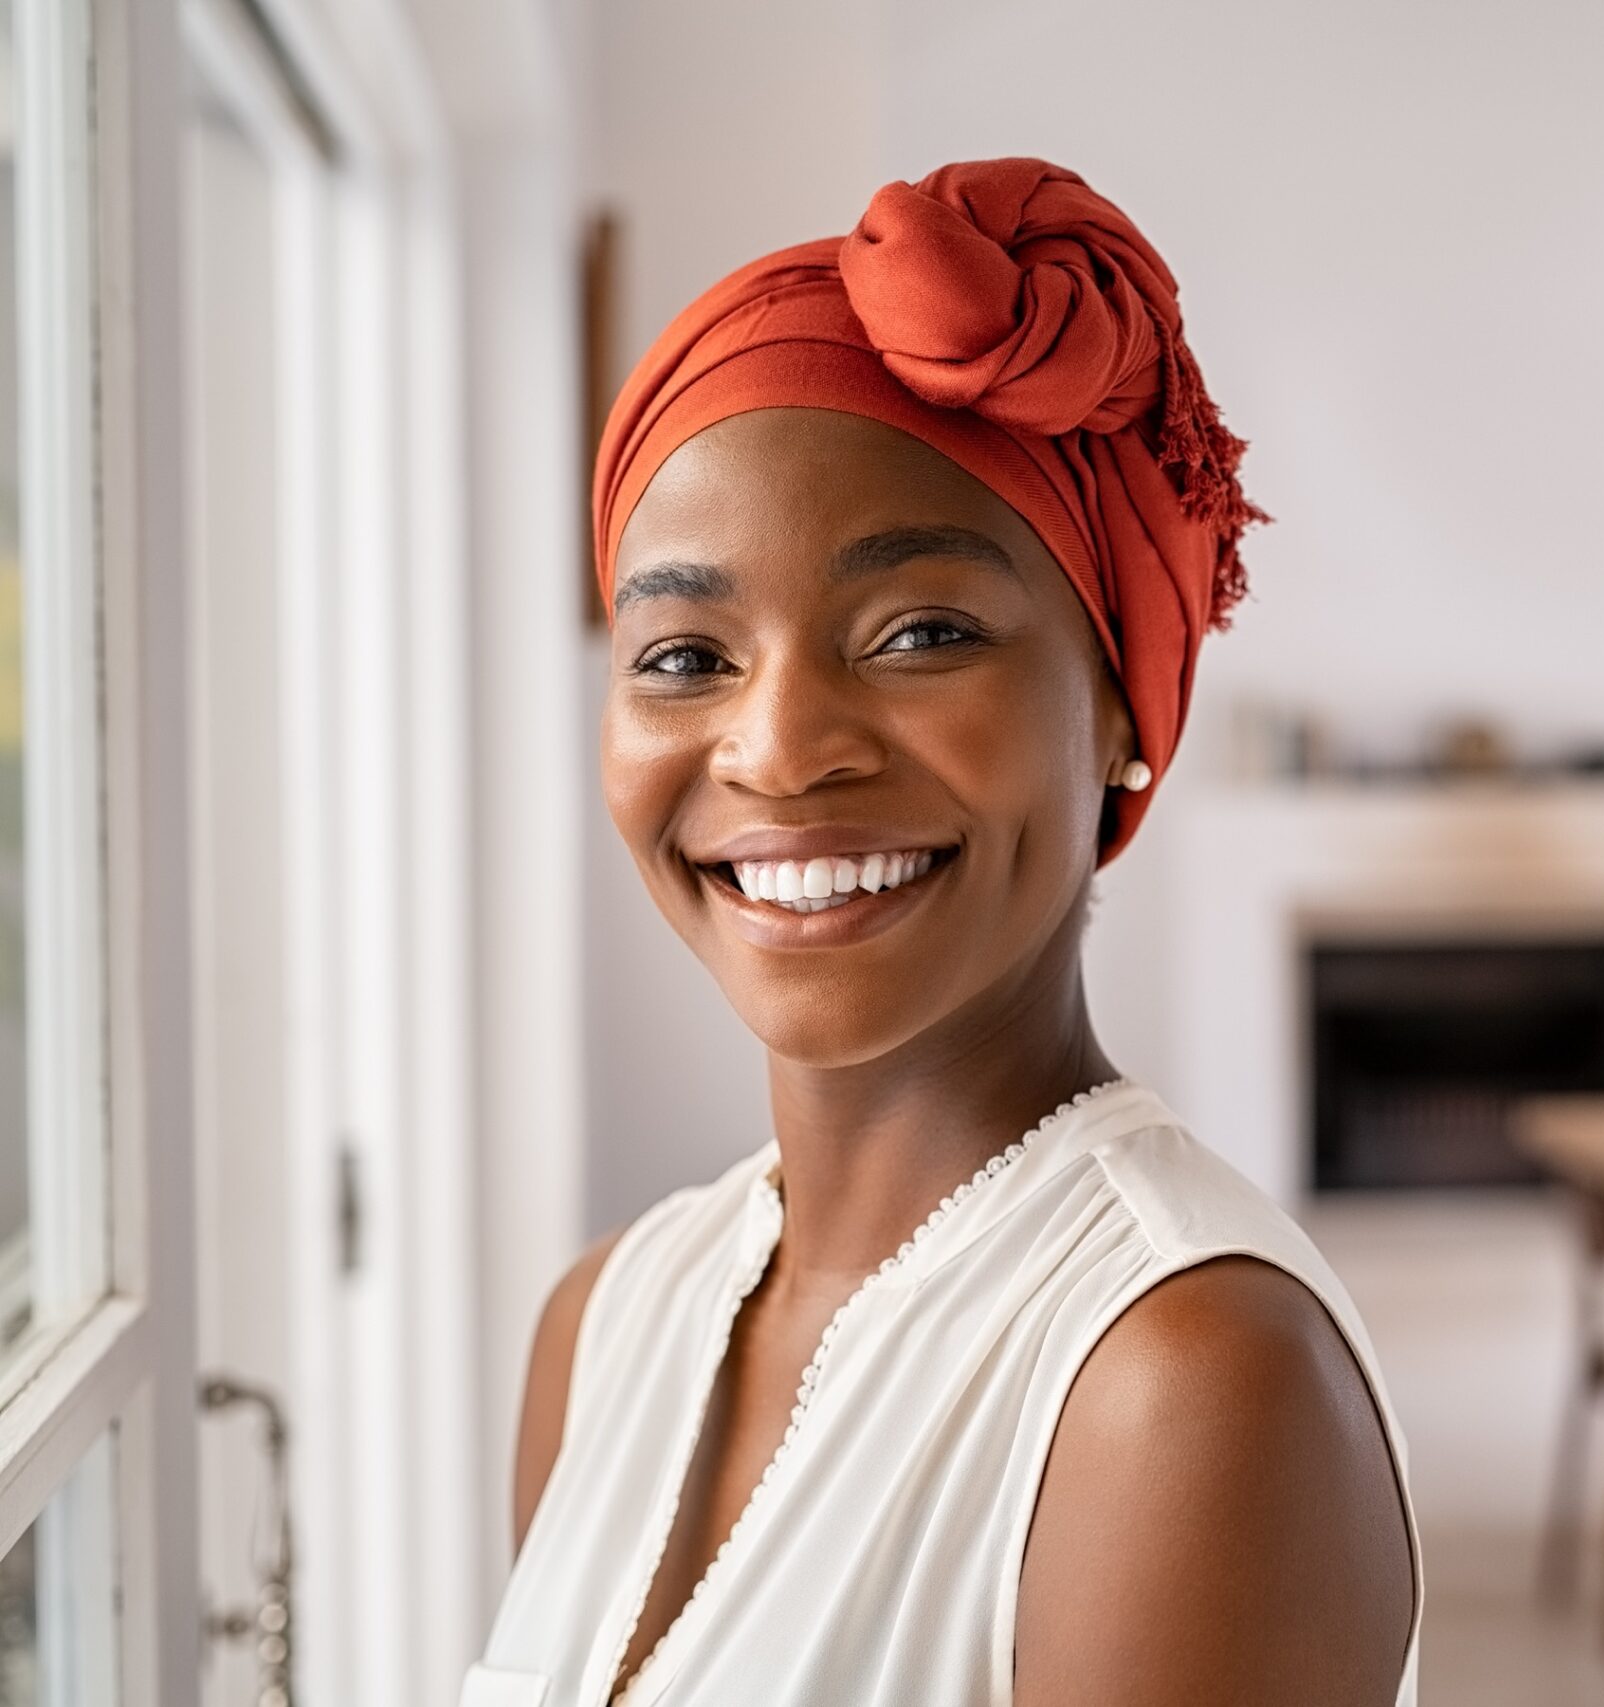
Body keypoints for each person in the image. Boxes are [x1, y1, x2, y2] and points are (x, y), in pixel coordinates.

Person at [460, 159, 1421, 1707]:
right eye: (686, 653)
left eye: (923, 632)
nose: (777, 750)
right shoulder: (604, 1322)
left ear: (1119, 705)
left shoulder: (1181, 1385)